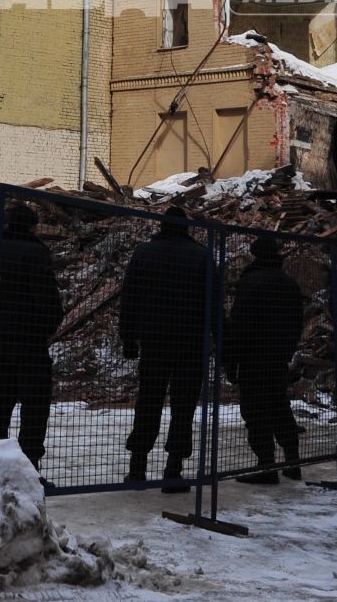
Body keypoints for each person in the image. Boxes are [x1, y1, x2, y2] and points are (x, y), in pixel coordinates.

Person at [120, 207, 212, 492]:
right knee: (183, 408)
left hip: (153, 342)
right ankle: (173, 471)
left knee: (148, 402)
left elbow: (130, 296)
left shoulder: (144, 253)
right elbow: (214, 302)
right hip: (191, 344)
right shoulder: (201, 255)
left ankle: (137, 469)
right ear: (186, 227)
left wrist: (128, 338)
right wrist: (221, 343)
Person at [0, 202, 62, 468]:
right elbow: (46, 295)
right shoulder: (36, 252)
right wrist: (49, 325)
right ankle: (29, 468)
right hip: (30, 339)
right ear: (32, 225)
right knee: (35, 406)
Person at [225, 236, 305, 483]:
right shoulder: (289, 283)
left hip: (253, 357)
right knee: (280, 407)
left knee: (256, 411)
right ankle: (292, 461)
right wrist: (286, 350)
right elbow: (296, 322)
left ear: (256, 254)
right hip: (277, 357)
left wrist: (231, 359)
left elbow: (240, 324)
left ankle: (266, 466)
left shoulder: (251, 282)